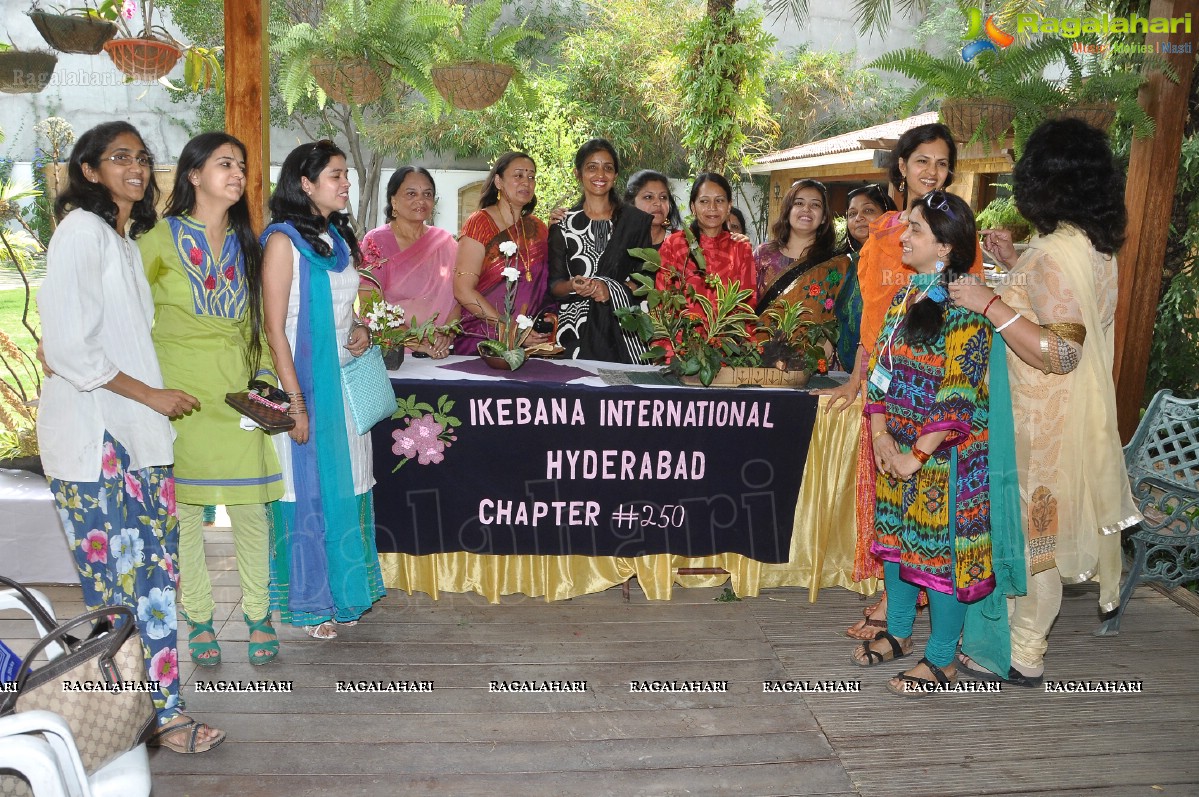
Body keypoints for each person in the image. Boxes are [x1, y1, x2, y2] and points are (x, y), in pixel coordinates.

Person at [37, 121, 224, 752]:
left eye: (143, 159)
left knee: (155, 583)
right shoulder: (78, 233)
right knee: (114, 599)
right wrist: (153, 396)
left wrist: (151, 403)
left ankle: (162, 713)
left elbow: (111, 341)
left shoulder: (121, 240)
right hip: (95, 443)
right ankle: (122, 723)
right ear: (89, 170)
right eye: (120, 158)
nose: (137, 168)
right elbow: (65, 348)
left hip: (137, 438)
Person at [949, 119, 1139, 687]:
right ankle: (1014, 640)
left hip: (1042, 416)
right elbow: (1061, 311)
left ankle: (1025, 650)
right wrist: (1019, 260)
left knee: (1036, 539)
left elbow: (1060, 352)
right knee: (1037, 536)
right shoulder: (1092, 247)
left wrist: (987, 302)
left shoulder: (1058, 254)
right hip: (1056, 414)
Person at [814, 123, 984, 641]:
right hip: (893, 412)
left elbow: (961, 377)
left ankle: (935, 648)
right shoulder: (893, 259)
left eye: (942, 163)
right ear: (902, 167)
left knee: (938, 541)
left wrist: (917, 450)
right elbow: (874, 326)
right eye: (922, 161)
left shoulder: (959, 290)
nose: (932, 172)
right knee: (894, 525)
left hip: (937, 436)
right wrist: (870, 401)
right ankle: (900, 615)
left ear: (947, 245)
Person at [139, 132, 283, 667]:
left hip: (240, 392)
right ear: (194, 175)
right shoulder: (156, 240)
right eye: (225, 163)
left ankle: (259, 616)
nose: (238, 172)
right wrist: (146, 391)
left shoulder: (253, 242)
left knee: (251, 512)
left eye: (242, 165)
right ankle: (199, 620)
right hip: (180, 393)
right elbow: (128, 311)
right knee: (188, 514)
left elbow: (262, 323)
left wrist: (265, 379)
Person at [850, 190, 993, 695]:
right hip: (898, 451)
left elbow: (958, 397)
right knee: (895, 543)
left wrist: (914, 456)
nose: (901, 236)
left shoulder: (968, 307)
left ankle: (941, 660)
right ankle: (899, 633)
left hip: (944, 460)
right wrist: (883, 438)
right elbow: (881, 376)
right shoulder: (905, 296)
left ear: (947, 248)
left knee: (941, 558)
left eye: (914, 230)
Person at [261, 140, 385, 640]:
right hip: (306, 386)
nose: (346, 183)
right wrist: (295, 406)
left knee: (352, 482)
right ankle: (314, 603)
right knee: (306, 491)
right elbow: (275, 330)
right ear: (306, 184)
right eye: (336, 175)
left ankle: (344, 592)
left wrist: (360, 329)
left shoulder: (335, 237)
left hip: (345, 387)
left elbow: (342, 309)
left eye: (346, 175)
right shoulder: (281, 242)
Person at [548, 139, 653, 362]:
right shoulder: (563, 225)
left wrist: (611, 290)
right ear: (578, 173)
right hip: (575, 331)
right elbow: (555, 285)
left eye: (608, 168)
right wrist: (573, 285)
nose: (600, 174)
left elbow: (646, 280)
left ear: (615, 175)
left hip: (624, 331)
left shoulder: (634, 222)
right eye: (592, 167)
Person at [452, 151, 554, 355]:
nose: (526, 182)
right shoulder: (479, 223)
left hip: (530, 342)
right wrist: (507, 330)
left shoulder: (539, 228)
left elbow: (546, 286)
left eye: (531, 177)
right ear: (498, 181)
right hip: (483, 338)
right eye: (518, 176)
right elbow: (463, 289)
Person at [358, 166, 458, 358]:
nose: (421, 200)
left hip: (440, 351)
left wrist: (447, 333)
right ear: (393, 201)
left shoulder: (446, 243)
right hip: (394, 352)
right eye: (411, 194)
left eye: (427, 194)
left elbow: (457, 298)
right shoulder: (376, 241)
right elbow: (370, 305)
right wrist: (417, 341)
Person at [655, 172, 755, 307]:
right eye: (704, 201)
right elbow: (662, 301)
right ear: (693, 207)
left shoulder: (740, 249)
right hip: (681, 327)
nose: (712, 207)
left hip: (729, 327)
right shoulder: (674, 245)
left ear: (729, 206)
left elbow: (747, 305)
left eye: (719, 200)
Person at [752, 179, 843, 324]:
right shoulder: (763, 255)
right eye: (799, 203)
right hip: (760, 343)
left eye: (815, 205)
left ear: (824, 217)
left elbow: (835, 316)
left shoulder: (834, 263)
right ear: (788, 211)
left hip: (813, 345)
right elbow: (747, 307)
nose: (806, 209)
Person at [833, 184, 897, 371]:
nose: (858, 218)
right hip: (845, 370)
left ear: (888, 215)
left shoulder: (901, 262)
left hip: (888, 368)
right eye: (852, 214)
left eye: (868, 210)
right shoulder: (843, 265)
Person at [624, 169, 682, 249]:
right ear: (631, 203)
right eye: (648, 197)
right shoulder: (618, 241)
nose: (658, 203)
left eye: (663, 197)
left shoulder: (681, 243)